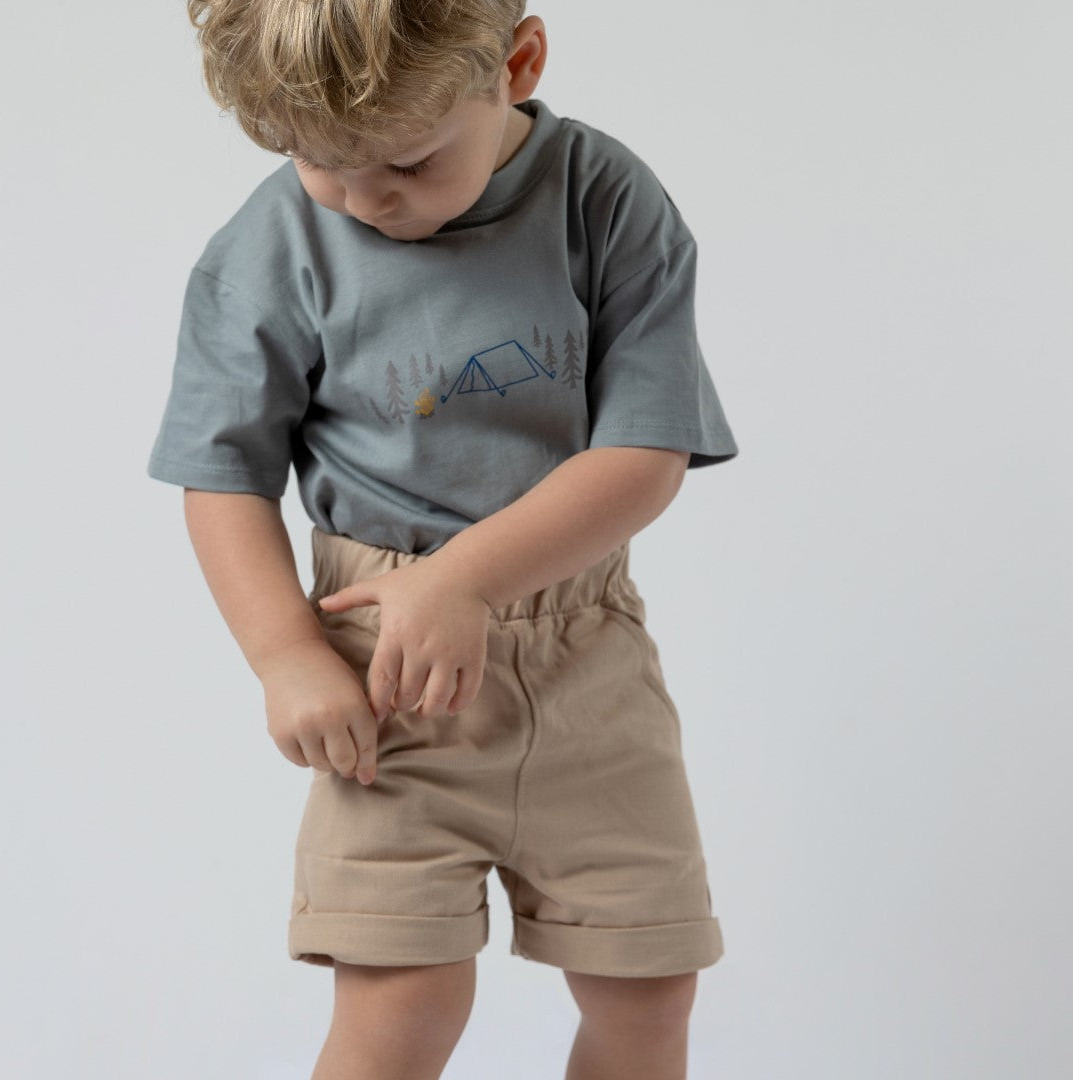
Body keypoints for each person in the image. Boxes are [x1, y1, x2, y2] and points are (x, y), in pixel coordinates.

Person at [147, 2, 739, 1077]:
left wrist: (465, 579)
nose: (364, 200)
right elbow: (221, 473)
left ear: (516, 63)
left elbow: (646, 452)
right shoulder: (271, 245)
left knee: (648, 990)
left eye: (409, 162)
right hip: (384, 690)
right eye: (316, 163)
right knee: (401, 1005)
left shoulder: (606, 202)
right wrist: (284, 655)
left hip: (584, 660)